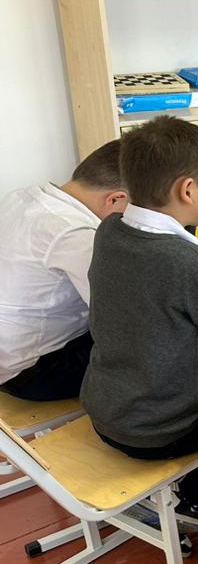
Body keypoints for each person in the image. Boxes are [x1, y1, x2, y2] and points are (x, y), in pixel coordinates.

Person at [80, 116, 198, 532]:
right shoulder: (184, 263)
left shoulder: (110, 229)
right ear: (188, 190)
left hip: (106, 407)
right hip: (157, 430)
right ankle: (189, 496)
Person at [0, 140, 127, 401]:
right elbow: (124, 318)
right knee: (155, 343)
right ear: (115, 199)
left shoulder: (22, 197)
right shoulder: (78, 234)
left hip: (8, 353)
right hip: (32, 373)